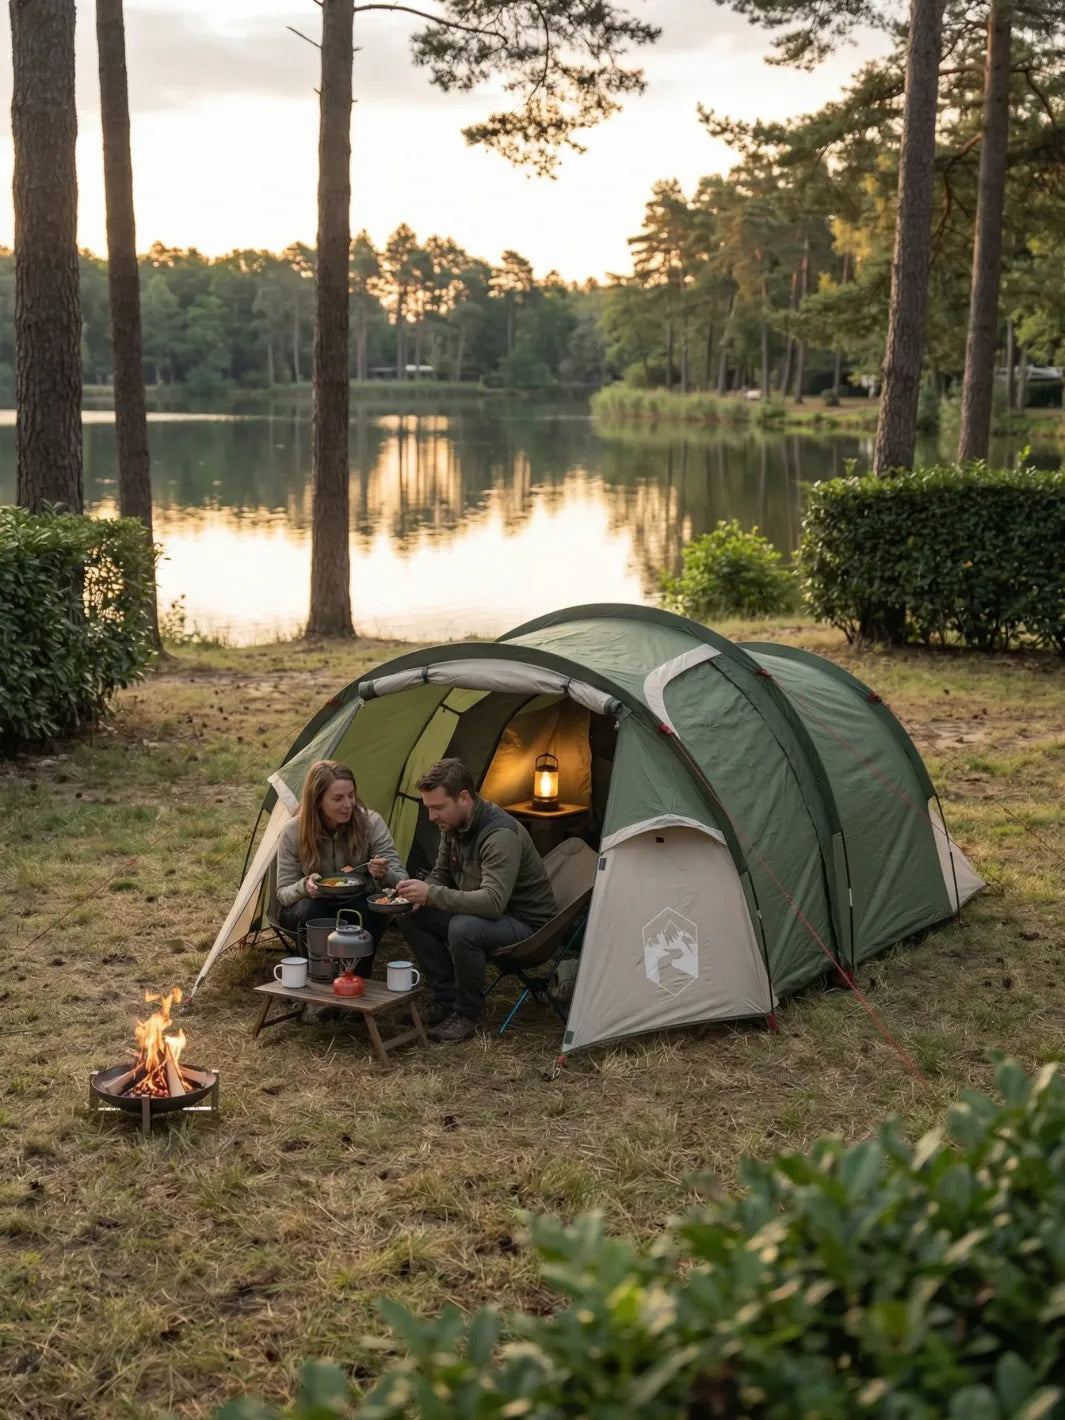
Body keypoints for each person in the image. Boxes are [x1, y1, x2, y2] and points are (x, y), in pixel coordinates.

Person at [394, 757, 556, 1043]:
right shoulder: (452, 827)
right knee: (409, 912)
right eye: (428, 807)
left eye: (438, 807)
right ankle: (445, 999)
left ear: (464, 798)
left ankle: (466, 1013)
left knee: (463, 927)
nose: (432, 816)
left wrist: (431, 894)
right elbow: (440, 874)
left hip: (527, 927)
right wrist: (419, 893)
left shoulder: (499, 835)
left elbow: (493, 902)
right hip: (488, 916)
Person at [276, 760, 405, 975]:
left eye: (351, 795)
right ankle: (319, 980)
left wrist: (384, 875)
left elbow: (401, 879)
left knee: (372, 911)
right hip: (313, 904)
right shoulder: (293, 832)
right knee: (311, 910)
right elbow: (282, 893)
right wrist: (304, 887)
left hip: (357, 900)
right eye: (338, 798)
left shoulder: (370, 823)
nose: (348, 804)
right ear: (317, 801)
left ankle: (358, 979)